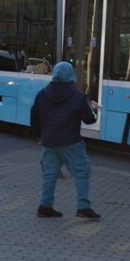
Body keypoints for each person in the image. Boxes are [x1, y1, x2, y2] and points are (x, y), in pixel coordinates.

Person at [30, 61, 102, 219]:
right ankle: (83, 207)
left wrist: (40, 136)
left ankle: (45, 206)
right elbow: (89, 119)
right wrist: (93, 109)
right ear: (71, 76)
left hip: (49, 142)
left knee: (49, 175)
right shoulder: (78, 96)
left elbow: (34, 117)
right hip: (71, 142)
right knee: (82, 172)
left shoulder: (42, 94)